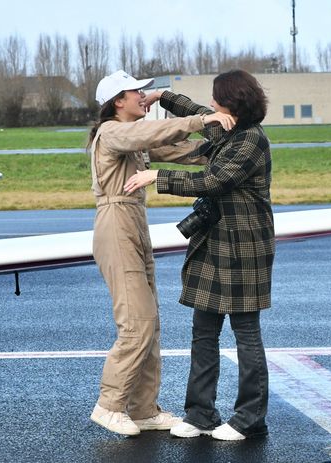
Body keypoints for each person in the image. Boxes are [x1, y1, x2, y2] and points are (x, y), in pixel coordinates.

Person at [123, 69, 274, 442]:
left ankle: (249, 417)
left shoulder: (251, 140)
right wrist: (162, 97)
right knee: (203, 333)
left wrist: (157, 176)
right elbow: (198, 111)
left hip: (243, 250)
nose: (213, 104)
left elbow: (213, 180)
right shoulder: (228, 128)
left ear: (234, 102)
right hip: (212, 243)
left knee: (245, 334)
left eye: (217, 98)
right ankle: (200, 413)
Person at [88, 70, 234, 437]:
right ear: (117, 101)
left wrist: (224, 149)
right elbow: (153, 133)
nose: (143, 95)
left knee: (150, 323)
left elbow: (180, 151)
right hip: (116, 224)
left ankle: (143, 409)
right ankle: (109, 405)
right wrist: (202, 118)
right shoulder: (113, 131)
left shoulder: (132, 138)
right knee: (136, 323)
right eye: (135, 91)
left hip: (134, 222)